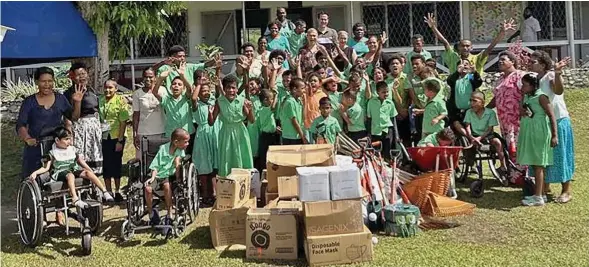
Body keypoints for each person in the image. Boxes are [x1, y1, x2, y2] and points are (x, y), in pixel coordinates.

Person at [529, 51, 575, 203]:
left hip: (559, 120)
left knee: (560, 155)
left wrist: (557, 73)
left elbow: (558, 90)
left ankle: (566, 190)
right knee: (544, 155)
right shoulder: (535, 78)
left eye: (533, 61)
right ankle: (545, 186)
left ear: (542, 65)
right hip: (542, 122)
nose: (530, 63)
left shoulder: (549, 76)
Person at [29, 127, 114, 208]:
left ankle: (105, 192)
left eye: (69, 139)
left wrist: (90, 171)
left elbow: (81, 162)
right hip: (60, 172)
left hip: (73, 169)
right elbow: (46, 168)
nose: (69, 141)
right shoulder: (52, 153)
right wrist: (35, 172)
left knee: (88, 172)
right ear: (57, 140)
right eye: (66, 139)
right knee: (70, 175)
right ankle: (74, 198)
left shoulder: (72, 150)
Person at [425, 13, 517, 75]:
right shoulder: (453, 58)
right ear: (458, 47)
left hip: (474, 95)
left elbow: (490, 47)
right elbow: (445, 42)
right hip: (456, 94)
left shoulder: (477, 59)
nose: (465, 48)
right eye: (463, 46)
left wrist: (502, 32)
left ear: (471, 48)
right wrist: (433, 27)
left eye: (467, 46)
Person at [487, 51, 527, 184]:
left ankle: (522, 177)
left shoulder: (520, 76)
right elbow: (497, 97)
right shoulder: (500, 78)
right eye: (499, 60)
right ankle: (512, 175)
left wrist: (524, 107)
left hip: (518, 120)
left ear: (513, 61)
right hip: (504, 121)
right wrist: (484, 109)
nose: (500, 62)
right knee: (509, 147)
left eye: (503, 59)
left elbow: (527, 93)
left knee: (518, 147)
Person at [518, 73, 558, 206]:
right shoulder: (527, 97)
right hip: (529, 130)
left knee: (539, 164)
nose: (522, 87)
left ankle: (538, 196)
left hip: (539, 131)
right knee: (534, 163)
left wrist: (554, 135)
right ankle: (539, 193)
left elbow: (551, 116)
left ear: (533, 85)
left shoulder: (541, 97)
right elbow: (522, 110)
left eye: (525, 84)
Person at [208, 75, 255, 177]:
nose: (231, 90)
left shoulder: (242, 101)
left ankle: (243, 180)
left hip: (240, 132)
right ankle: (228, 182)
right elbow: (211, 123)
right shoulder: (219, 102)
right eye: (228, 88)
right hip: (226, 133)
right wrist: (210, 113)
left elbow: (251, 120)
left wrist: (250, 109)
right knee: (227, 157)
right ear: (224, 89)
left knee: (241, 156)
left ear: (237, 89)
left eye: (233, 88)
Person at [145, 128, 190, 226]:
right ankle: (151, 213)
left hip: (168, 176)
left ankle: (169, 212)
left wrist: (178, 178)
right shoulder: (163, 149)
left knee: (167, 186)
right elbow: (155, 165)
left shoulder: (180, 151)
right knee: (148, 189)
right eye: (185, 142)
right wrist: (152, 177)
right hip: (157, 174)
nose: (187, 144)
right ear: (176, 142)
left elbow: (178, 165)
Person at [64, 63, 103, 175]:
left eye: (83, 73)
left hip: (94, 130)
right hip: (81, 130)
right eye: (78, 75)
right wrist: (77, 102)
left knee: (95, 160)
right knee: (82, 160)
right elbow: (72, 117)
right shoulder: (69, 93)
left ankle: (95, 186)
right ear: (72, 77)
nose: (82, 77)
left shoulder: (91, 91)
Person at [461, 91, 507, 181]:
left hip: (487, 135)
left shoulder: (490, 113)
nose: (471, 103)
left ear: (482, 102)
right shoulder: (469, 112)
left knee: (497, 142)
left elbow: (490, 129)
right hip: (473, 135)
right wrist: (471, 137)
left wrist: (480, 138)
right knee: (470, 147)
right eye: (470, 101)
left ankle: (503, 165)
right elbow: (467, 126)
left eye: (474, 101)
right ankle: (471, 163)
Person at [153, 63, 197, 152]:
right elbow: (155, 92)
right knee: (173, 157)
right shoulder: (166, 99)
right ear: (170, 87)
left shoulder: (186, 98)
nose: (176, 86)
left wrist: (182, 76)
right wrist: (161, 79)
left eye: (179, 84)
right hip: (172, 134)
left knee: (187, 157)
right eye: (174, 84)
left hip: (187, 133)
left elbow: (189, 89)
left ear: (183, 88)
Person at [99, 79, 130, 202]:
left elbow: (123, 122)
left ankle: (117, 191)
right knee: (106, 164)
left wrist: (120, 141)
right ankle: (108, 191)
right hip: (103, 136)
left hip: (117, 136)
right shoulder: (100, 100)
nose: (107, 90)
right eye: (106, 87)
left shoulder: (120, 101)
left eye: (110, 88)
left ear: (116, 89)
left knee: (116, 163)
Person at [192, 78, 220, 206]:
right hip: (203, 134)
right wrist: (198, 85)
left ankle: (215, 193)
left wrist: (218, 71)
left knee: (214, 164)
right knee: (204, 165)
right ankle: (204, 194)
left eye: (208, 91)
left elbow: (219, 93)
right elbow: (193, 98)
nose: (206, 93)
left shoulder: (213, 101)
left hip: (215, 133)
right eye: (203, 91)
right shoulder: (197, 104)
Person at [132, 68, 166, 161]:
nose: (148, 79)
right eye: (145, 77)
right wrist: (135, 133)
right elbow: (136, 115)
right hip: (144, 133)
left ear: (155, 78)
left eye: (150, 77)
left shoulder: (163, 91)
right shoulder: (137, 94)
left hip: (161, 131)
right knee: (144, 161)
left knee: (161, 159)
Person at [446, 59, 483, 132]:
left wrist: (475, 72)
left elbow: (478, 82)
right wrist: (457, 72)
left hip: (469, 111)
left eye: (466, 64)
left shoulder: (470, 76)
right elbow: (449, 81)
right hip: (455, 111)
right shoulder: (455, 77)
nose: (464, 65)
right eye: (461, 64)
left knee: (470, 128)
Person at [367, 81, 398, 160]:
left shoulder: (390, 103)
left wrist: (396, 134)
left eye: (387, 92)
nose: (386, 94)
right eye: (383, 92)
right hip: (375, 131)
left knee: (387, 152)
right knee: (376, 153)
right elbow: (369, 118)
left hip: (387, 130)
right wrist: (369, 133)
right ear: (378, 92)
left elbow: (393, 119)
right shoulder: (371, 102)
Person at [256, 89, 279, 172]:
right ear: (265, 100)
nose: (273, 101)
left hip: (272, 135)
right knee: (265, 156)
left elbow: (269, 123)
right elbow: (273, 107)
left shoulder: (266, 110)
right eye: (271, 99)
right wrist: (276, 95)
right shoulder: (264, 109)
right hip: (266, 136)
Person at [279, 78, 306, 145]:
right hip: (290, 137)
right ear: (294, 89)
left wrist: (304, 104)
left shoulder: (299, 101)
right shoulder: (290, 102)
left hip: (297, 136)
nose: (304, 90)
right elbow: (294, 122)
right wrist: (303, 137)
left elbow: (303, 118)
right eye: (302, 88)